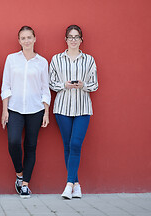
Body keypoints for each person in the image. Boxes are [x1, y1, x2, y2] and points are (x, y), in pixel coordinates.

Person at [0, 26, 51, 198]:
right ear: (19, 41)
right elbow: (6, 85)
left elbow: (45, 88)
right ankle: (19, 174)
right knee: (13, 141)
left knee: (31, 146)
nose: (27, 41)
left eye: (29, 37)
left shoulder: (42, 62)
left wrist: (46, 112)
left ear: (35, 39)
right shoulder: (11, 59)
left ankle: (25, 184)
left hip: (35, 109)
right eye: (23, 38)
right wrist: (4, 110)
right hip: (14, 108)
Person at [49, 25, 98, 199]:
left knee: (76, 144)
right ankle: (76, 185)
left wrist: (83, 85)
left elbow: (95, 85)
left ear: (81, 40)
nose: (73, 40)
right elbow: (51, 83)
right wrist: (64, 85)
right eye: (70, 37)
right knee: (68, 145)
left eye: (77, 37)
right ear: (65, 39)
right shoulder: (56, 59)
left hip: (83, 108)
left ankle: (69, 185)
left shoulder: (89, 60)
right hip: (62, 108)